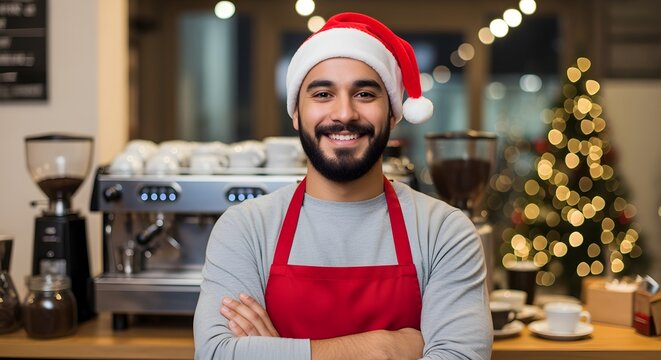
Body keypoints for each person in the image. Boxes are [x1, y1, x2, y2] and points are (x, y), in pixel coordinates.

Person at [194, 12, 492, 360]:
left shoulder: (444, 231)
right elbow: (216, 354)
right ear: (296, 112)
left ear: (393, 112)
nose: (344, 114)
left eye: (365, 93)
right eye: (323, 94)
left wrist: (275, 352)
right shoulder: (245, 228)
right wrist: (384, 348)